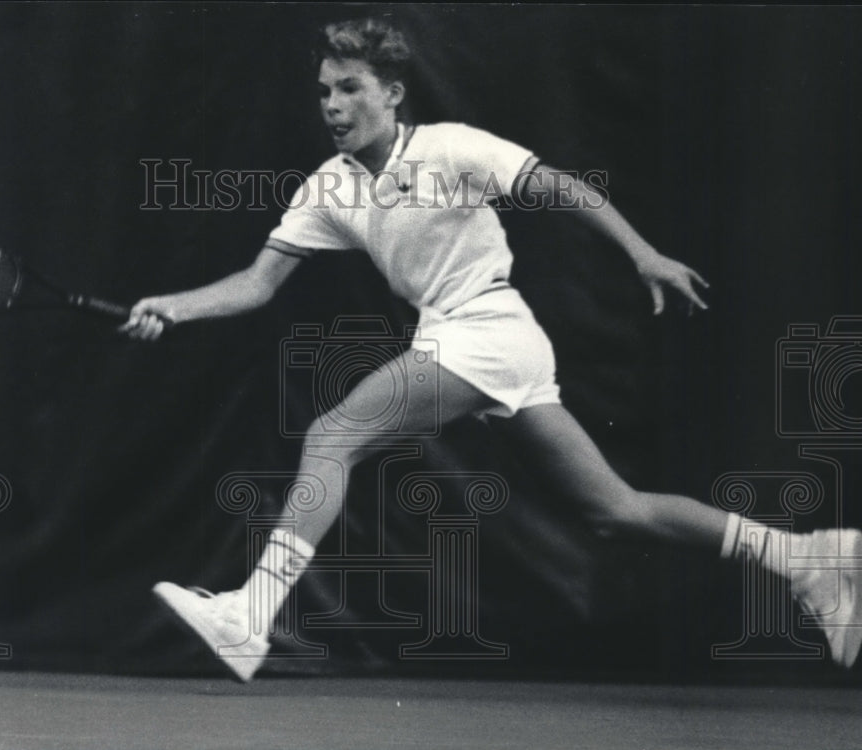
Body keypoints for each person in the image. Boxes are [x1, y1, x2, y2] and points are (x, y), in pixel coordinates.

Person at [121, 17, 861, 681]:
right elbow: (258, 283)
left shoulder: (452, 150)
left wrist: (644, 254)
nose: (333, 106)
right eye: (324, 92)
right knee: (615, 510)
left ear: (394, 94)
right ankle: (803, 556)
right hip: (486, 343)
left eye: (350, 89)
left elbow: (564, 187)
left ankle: (252, 614)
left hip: (488, 331)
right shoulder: (328, 189)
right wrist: (174, 308)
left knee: (333, 434)